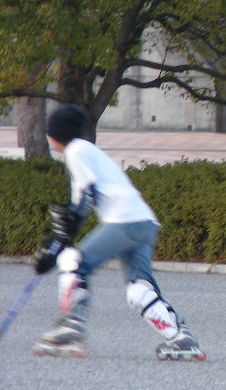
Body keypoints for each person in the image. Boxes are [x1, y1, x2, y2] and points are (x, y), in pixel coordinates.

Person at [31, 104, 205, 360]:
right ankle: (181, 338)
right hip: (143, 222)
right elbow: (77, 206)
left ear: (56, 133)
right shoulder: (85, 150)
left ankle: (71, 328)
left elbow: (84, 199)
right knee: (139, 289)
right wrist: (58, 241)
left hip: (124, 220)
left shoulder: (76, 151)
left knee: (75, 261)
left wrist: (60, 245)